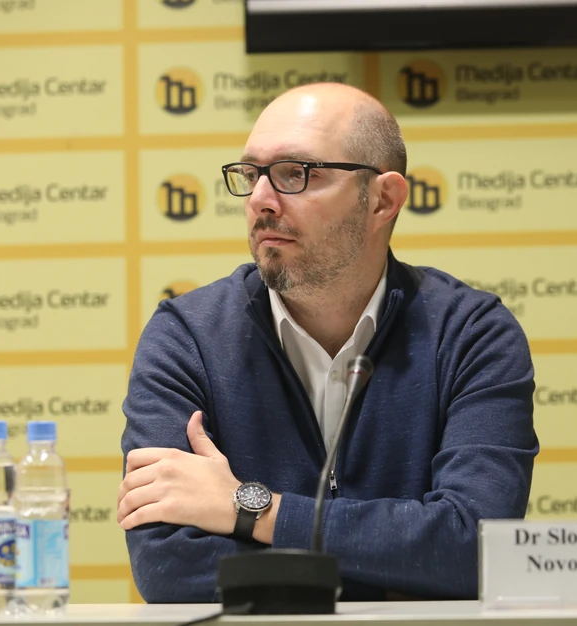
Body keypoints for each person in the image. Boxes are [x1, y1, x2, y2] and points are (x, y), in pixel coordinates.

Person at [117, 82, 538, 603]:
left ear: (383, 199)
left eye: (296, 173)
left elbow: (474, 547)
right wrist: (400, 567)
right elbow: (167, 565)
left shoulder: (471, 334)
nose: (260, 200)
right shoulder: (187, 336)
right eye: (251, 174)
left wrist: (248, 509)